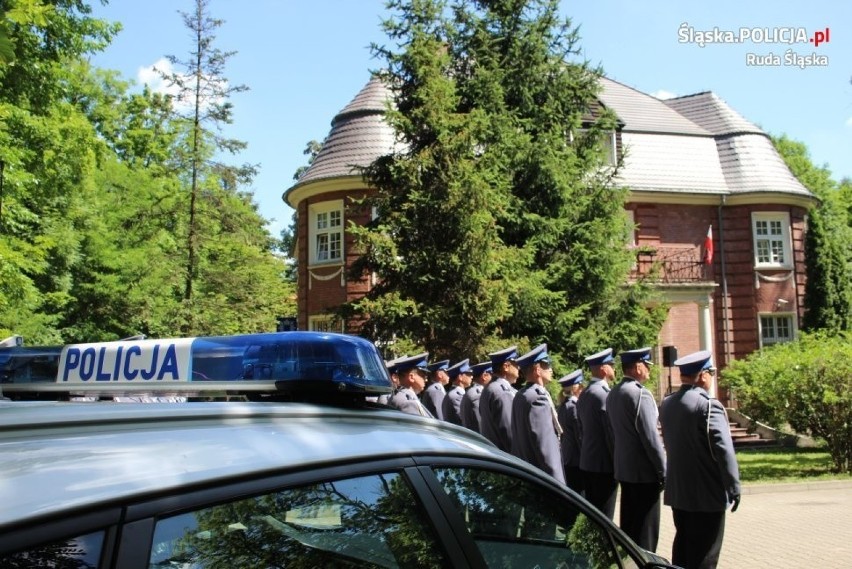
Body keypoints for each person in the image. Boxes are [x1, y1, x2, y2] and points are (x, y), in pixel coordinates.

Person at [660, 350, 741, 569]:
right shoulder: (708, 406)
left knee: (684, 549)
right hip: (706, 494)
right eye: (712, 372)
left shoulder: (667, 404)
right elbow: (724, 450)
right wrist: (733, 486)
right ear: (704, 375)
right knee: (705, 554)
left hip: (680, 492)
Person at [607, 347, 667, 553]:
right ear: (638, 367)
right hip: (644, 473)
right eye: (647, 365)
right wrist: (663, 470)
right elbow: (651, 438)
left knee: (630, 529)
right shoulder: (640, 395)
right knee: (646, 535)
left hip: (625, 469)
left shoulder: (614, 392)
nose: (649, 370)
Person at [510, 344, 565, 484]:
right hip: (542, 480)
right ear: (537, 370)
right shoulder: (538, 398)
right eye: (547, 366)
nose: (551, 369)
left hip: (527, 474)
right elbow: (546, 448)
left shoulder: (521, 394)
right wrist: (560, 486)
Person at [577, 347, 618, 519]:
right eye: (611, 364)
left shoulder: (585, 392)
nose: (614, 368)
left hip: (588, 461)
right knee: (604, 517)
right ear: (603, 368)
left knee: (592, 515)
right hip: (604, 465)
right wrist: (617, 461)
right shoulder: (602, 394)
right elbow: (610, 433)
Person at [479, 346, 519, 452]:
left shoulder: (489, 387)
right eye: (516, 365)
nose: (518, 368)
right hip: (506, 457)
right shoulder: (502, 392)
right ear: (506, 366)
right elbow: (509, 431)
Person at [557, 369, 585, 495]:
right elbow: (579, 436)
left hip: (567, 457)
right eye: (581, 387)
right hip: (576, 460)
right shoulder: (574, 406)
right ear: (576, 388)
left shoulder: (563, 405)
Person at [388, 353, 434, 417]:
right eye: (423, 376)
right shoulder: (408, 403)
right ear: (411, 377)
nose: (426, 380)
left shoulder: (403, 396)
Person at [461, 361, 492, 433]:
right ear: (484, 376)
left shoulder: (472, 391)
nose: (493, 377)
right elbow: (480, 423)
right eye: (491, 374)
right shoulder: (478, 394)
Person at [442, 359, 472, 425]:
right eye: (468, 374)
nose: (471, 377)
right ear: (460, 377)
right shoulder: (458, 396)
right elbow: (463, 420)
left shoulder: (453, 393)